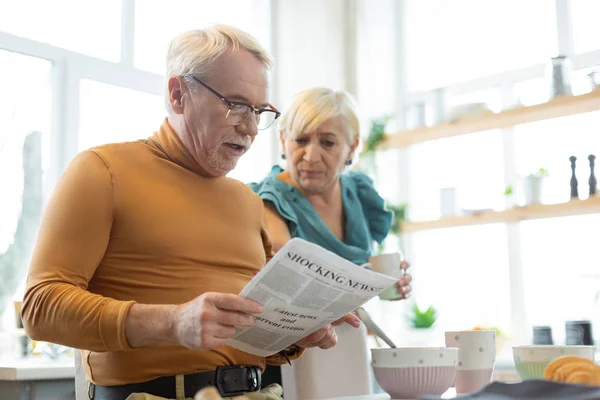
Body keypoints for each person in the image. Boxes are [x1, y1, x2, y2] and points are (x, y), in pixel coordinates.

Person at [20, 26, 360, 400]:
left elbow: (253, 333)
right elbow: (40, 307)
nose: (249, 127)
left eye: (259, 111)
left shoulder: (247, 201)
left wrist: (297, 333)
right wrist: (171, 322)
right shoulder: (103, 170)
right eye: (235, 104)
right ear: (178, 94)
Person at [249, 87, 412, 399]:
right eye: (300, 140)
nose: (311, 156)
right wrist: (365, 281)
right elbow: (293, 274)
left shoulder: (359, 193)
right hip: (290, 356)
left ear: (352, 147)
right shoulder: (269, 199)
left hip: (347, 346)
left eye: (327, 142)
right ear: (283, 140)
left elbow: (362, 266)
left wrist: (386, 281)